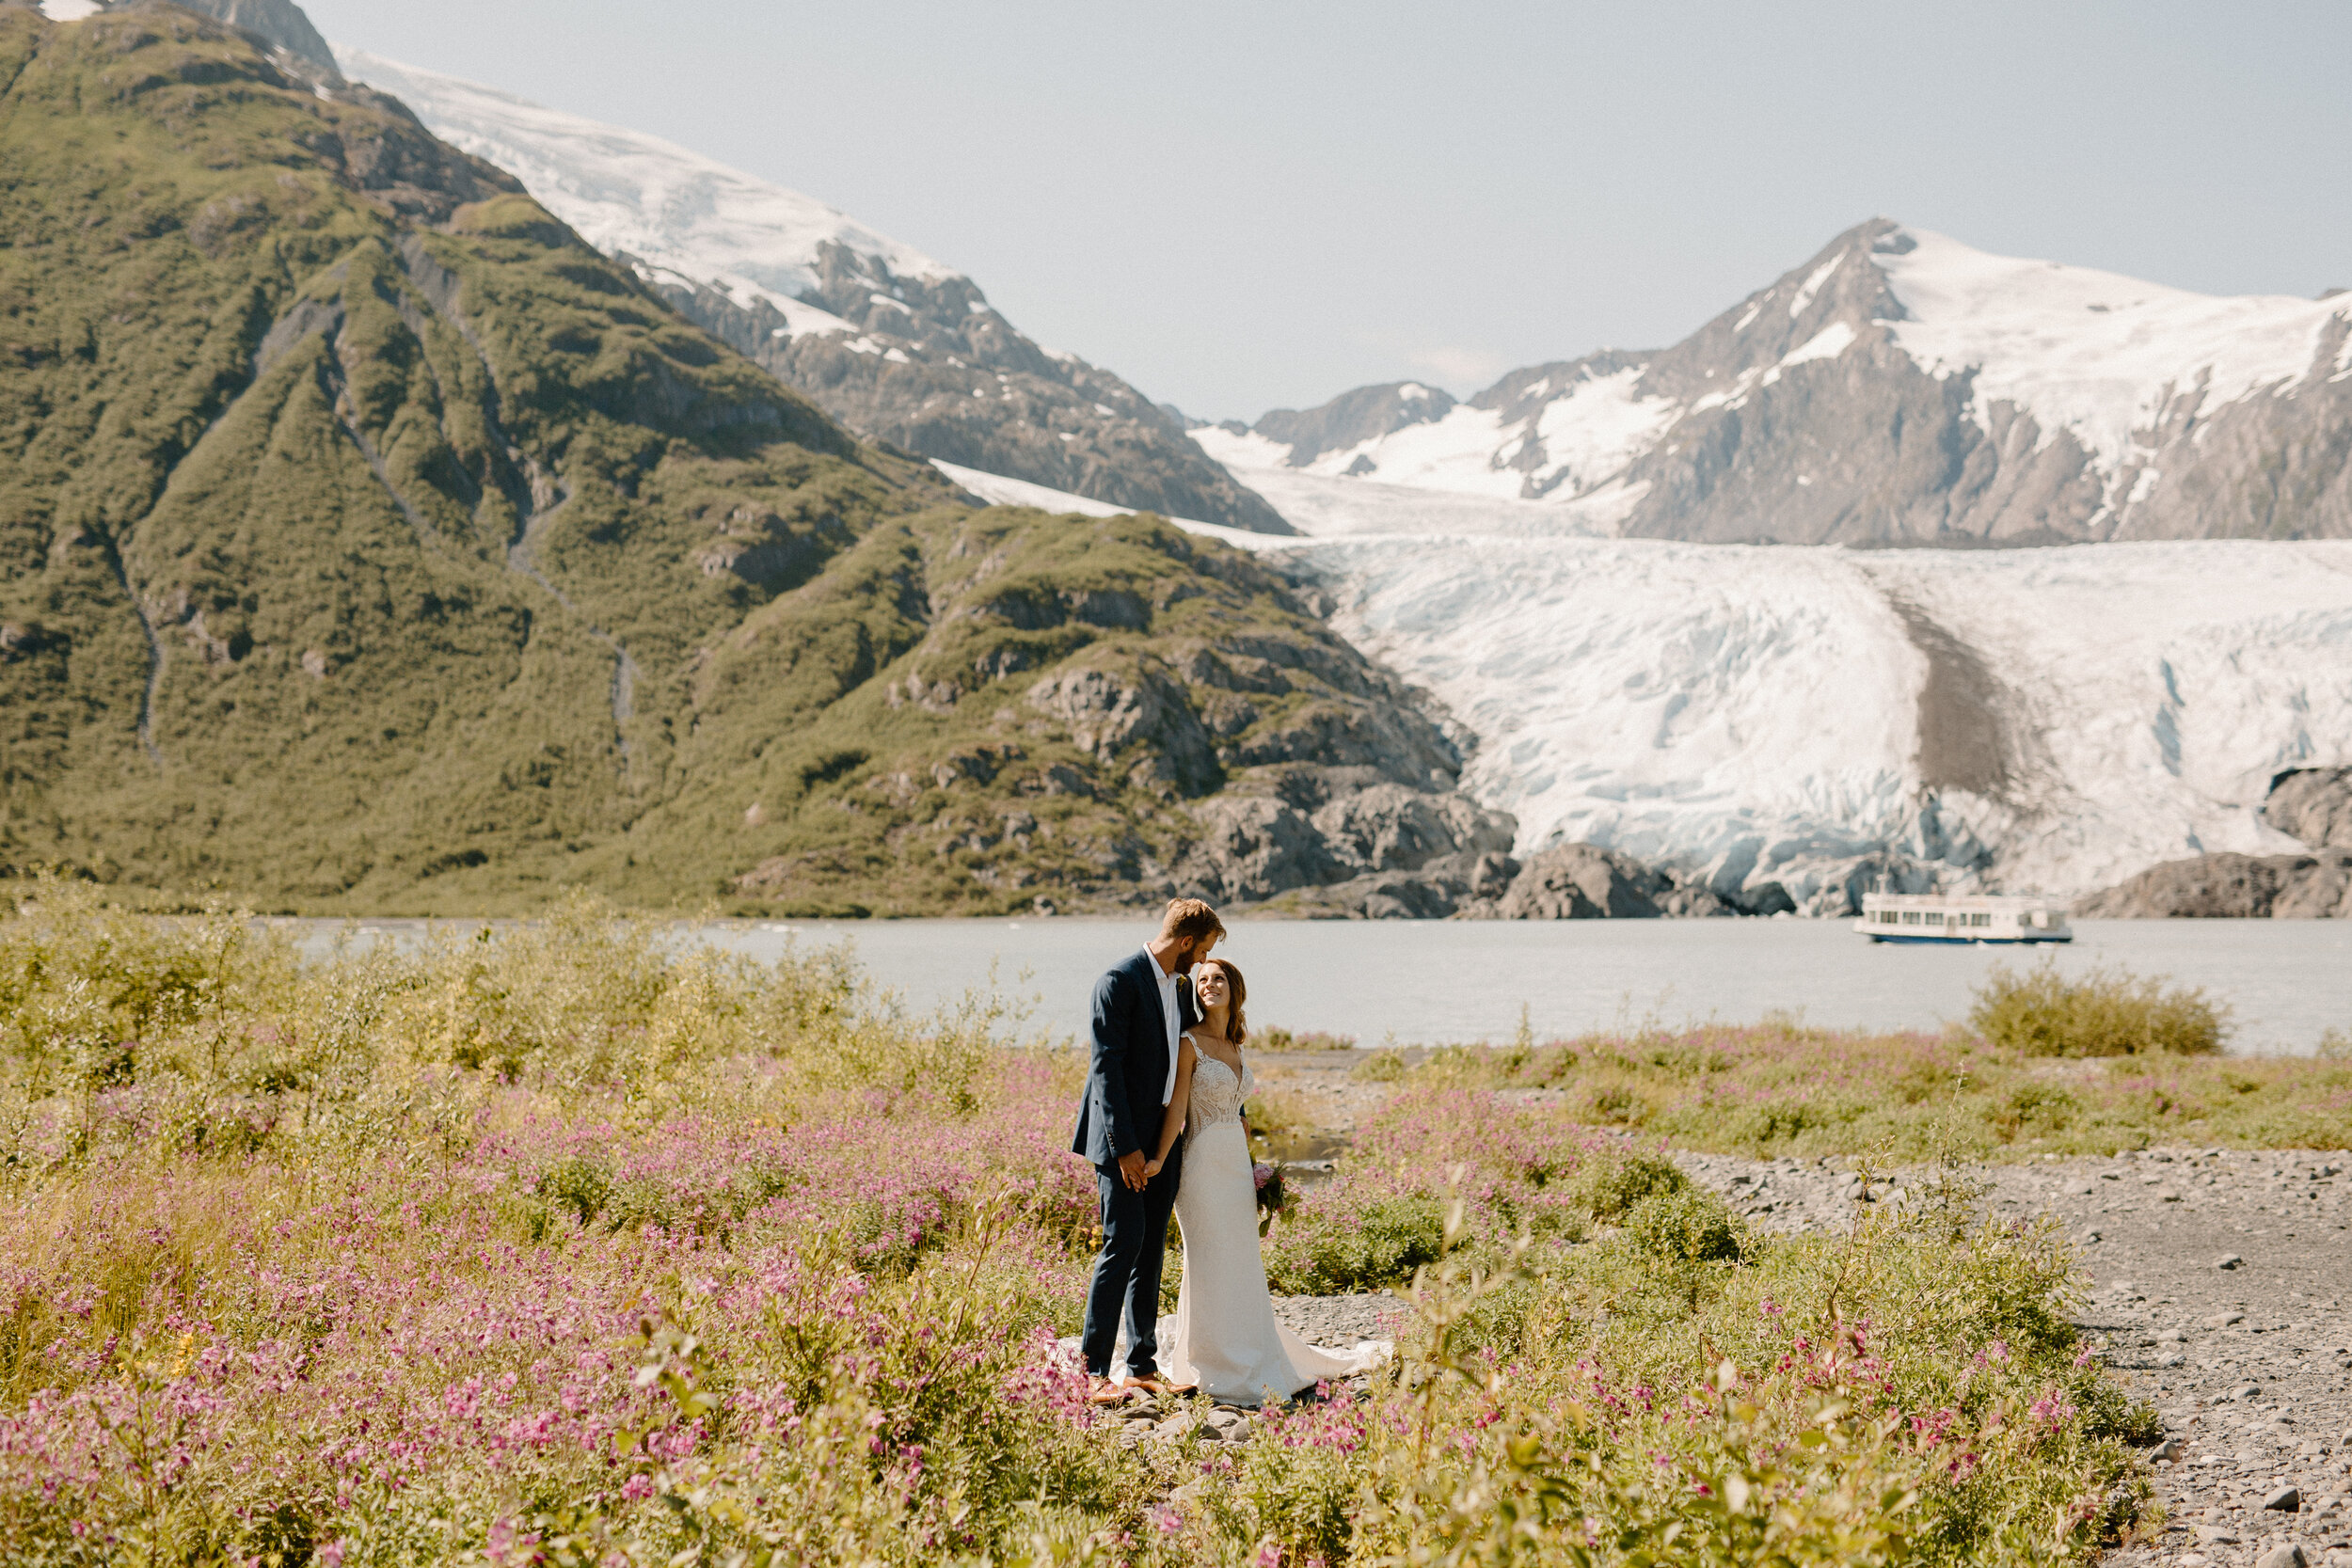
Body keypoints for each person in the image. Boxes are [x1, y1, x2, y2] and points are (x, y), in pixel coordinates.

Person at [1141, 956, 1389, 1405]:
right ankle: (1216, 1360)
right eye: (1203, 979)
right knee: (1210, 1259)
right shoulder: (1187, 1042)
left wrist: (1256, 1169)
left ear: (1234, 989)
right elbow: (1176, 1109)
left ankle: (1253, 1350)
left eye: (1218, 979)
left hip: (1236, 1168)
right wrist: (1158, 1159)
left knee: (1241, 1261)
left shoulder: (1235, 1044)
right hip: (1200, 1168)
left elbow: (1239, 1112)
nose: (1209, 985)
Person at [1071, 897, 1222, 1404]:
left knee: (1152, 1245)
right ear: (1184, 943)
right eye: (1201, 951)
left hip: (1165, 1137)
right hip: (1122, 1142)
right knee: (1122, 1242)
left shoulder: (1180, 988)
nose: (1202, 963)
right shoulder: (1118, 981)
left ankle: (1141, 1365)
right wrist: (1126, 1149)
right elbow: (1105, 1070)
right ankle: (1090, 1372)